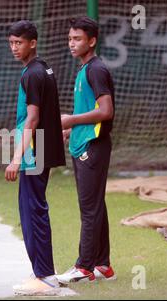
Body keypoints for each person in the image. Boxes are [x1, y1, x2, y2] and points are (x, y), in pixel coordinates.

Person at [6, 20, 65, 296]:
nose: (14, 48)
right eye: (11, 43)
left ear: (33, 43)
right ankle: (42, 271)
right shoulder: (43, 69)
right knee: (34, 210)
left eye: (19, 43)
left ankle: (44, 275)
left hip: (33, 153)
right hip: (40, 150)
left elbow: (33, 118)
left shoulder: (32, 74)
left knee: (33, 213)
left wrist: (16, 158)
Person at [57, 17, 116, 284]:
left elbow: (106, 111)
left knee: (89, 208)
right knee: (96, 205)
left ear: (91, 41)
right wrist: (72, 130)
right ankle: (103, 264)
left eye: (77, 38)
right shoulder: (85, 69)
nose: (71, 43)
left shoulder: (96, 69)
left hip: (93, 147)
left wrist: (70, 120)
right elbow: (89, 112)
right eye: (70, 38)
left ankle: (84, 267)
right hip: (85, 141)